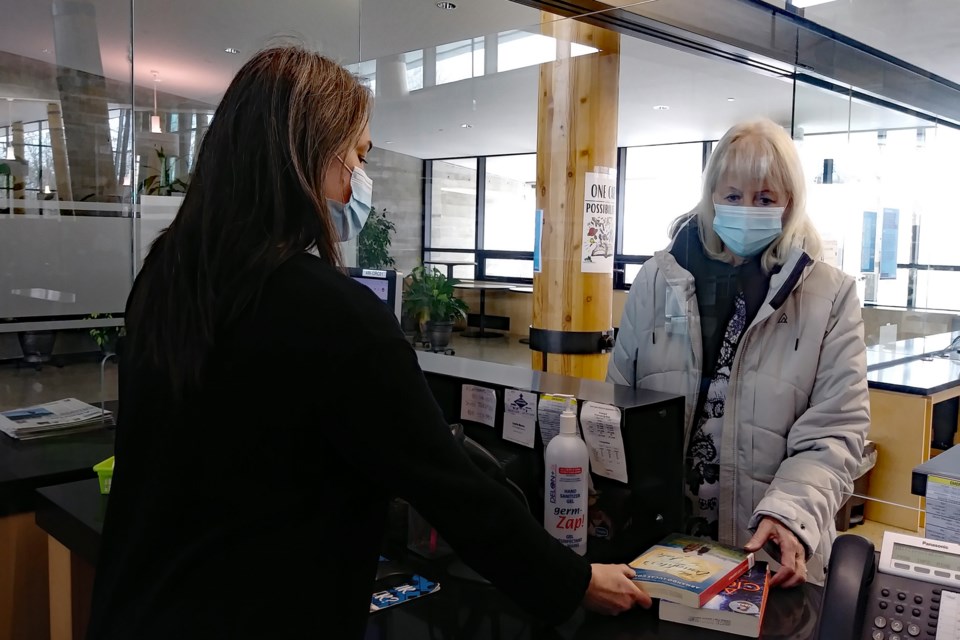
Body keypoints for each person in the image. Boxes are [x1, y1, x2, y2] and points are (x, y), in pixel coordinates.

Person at [85, 47, 650, 640]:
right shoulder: (331, 312)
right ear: (308, 158)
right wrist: (575, 581)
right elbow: (449, 484)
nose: (360, 176)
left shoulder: (167, 276)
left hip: (140, 608)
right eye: (357, 153)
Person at [608, 118, 869, 588]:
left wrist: (791, 514)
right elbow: (619, 401)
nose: (747, 208)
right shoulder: (656, 279)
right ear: (712, 197)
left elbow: (835, 430)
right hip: (660, 546)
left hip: (767, 551)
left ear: (789, 204)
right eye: (733, 195)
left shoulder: (830, 295)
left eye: (765, 198)